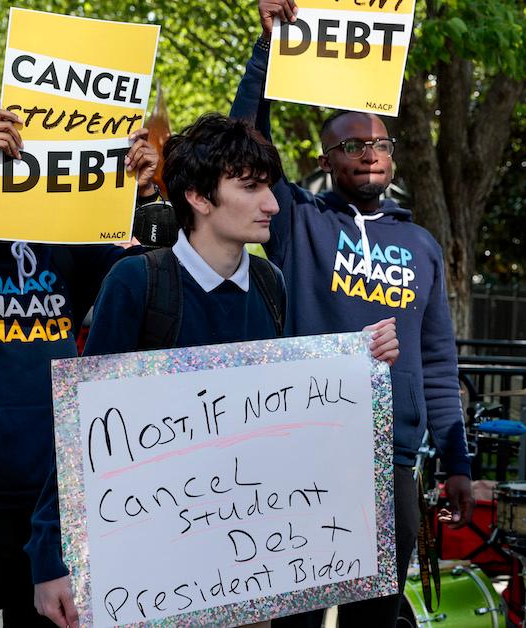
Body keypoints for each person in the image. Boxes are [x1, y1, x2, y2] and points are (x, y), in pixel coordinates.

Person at [26, 114, 400, 628]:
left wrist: (359, 368)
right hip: (147, 566)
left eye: (269, 186)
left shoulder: (271, 284)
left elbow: (281, 417)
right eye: (249, 187)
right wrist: (51, 557)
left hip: (242, 562)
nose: (270, 203)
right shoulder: (138, 283)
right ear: (200, 198)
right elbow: (78, 432)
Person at [232, 2, 473, 626]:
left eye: (380, 144)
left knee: (376, 614)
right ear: (325, 158)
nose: (369, 155)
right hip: (301, 447)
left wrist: (457, 461)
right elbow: (244, 147)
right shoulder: (297, 222)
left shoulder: (421, 244)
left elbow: (438, 359)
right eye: (353, 145)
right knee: (295, 613)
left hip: (391, 454)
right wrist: (266, 53)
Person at [0, 109, 159, 627]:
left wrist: (145, 198)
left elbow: (144, 281)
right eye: (2, 163)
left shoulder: (75, 244)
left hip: (52, 504)